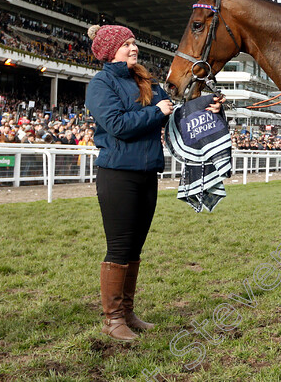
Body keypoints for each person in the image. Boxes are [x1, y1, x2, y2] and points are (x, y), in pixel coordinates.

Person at [85, 24, 222, 341]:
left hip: (148, 174)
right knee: (119, 246)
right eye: (126, 45)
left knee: (135, 248)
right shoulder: (100, 84)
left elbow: (175, 114)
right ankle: (112, 318)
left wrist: (208, 106)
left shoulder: (146, 81)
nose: (133, 49)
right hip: (117, 174)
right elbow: (118, 125)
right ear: (110, 51)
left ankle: (128, 312)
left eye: (134, 43)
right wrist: (155, 112)